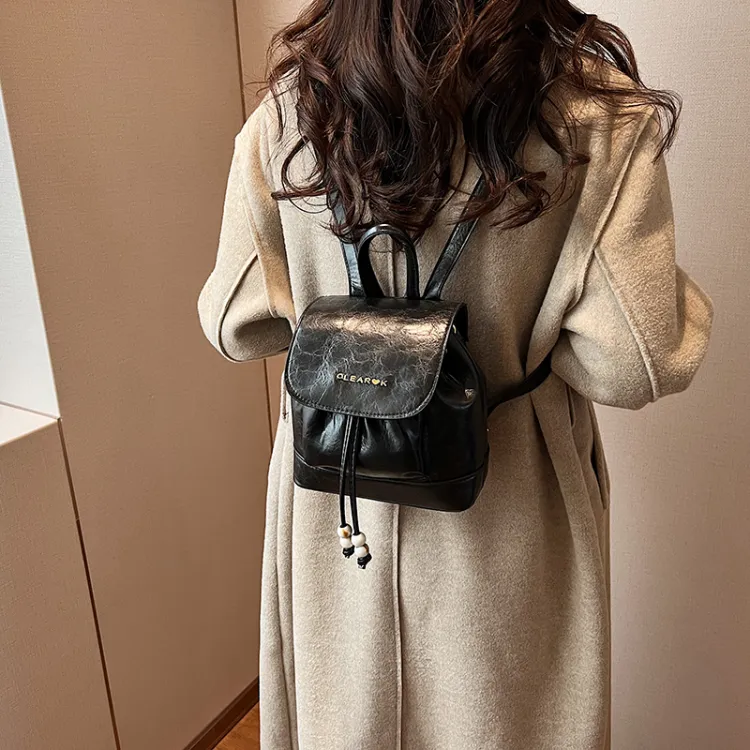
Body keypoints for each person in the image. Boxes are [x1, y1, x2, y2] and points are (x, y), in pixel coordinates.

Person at [198, 1, 713, 748]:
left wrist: (343, 325)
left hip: (339, 496)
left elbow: (236, 324)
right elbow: (638, 360)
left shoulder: (296, 107)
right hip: (506, 511)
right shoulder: (592, 115)